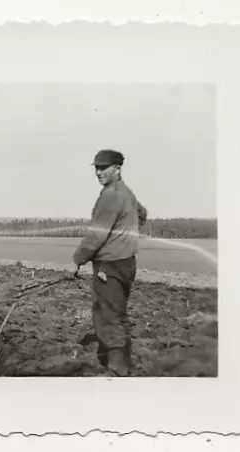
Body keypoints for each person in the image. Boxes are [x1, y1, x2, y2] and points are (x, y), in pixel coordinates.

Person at [70, 149, 147, 377]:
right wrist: (126, 235)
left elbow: (96, 235)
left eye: (103, 168)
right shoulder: (127, 193)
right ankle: (115, 360)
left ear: (117, 169)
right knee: (118, 313)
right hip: (126, 264)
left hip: (109, 266)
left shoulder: (110, 195)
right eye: (96, 167)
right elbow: (142, 214)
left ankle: (116, 370)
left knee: (107, 316)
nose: (98, 172)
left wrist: (77, 260)